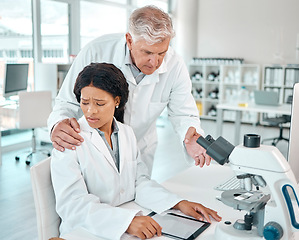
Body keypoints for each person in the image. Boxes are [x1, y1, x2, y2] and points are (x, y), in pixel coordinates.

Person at [50, 63, 221, 240]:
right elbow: (72, 204)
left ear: (117, 101)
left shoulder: (126, 133)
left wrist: (178, 203)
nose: (90, 111)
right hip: (86, 230)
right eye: (84, 103)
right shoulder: (68, 140)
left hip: (125, 215)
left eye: (100, 103)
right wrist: (125, 222)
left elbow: (139, 182)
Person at [48, 5, 211, 175]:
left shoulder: (175, 65)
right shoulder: (95, 51)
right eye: (147, 52)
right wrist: (57, 125)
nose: (154, 62)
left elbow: (184, 113)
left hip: (140, 148)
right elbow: (66, 102)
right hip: (93, 147)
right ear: (129, 40)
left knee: (138, 195)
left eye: (161, 53)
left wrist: (191, 135)